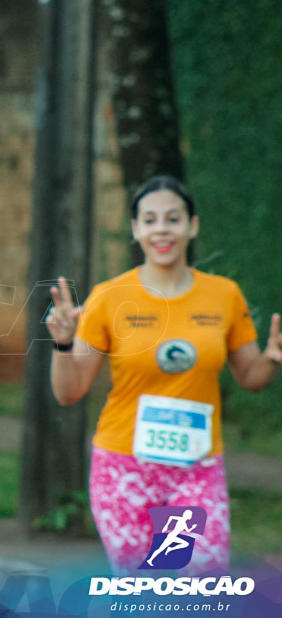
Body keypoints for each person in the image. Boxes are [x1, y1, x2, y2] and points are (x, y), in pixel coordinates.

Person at [46, 174, 282, 575]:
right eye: (150, 220)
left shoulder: (224, 295)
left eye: (172, 219)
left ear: (192, 225)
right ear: (135, 230)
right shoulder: (108, 298)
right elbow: (69, 393)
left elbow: (250, 377)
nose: (161, 229)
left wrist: (273, 358)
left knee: (197, 582)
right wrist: (64, 345)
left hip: (196, 468)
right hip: (123, 468)